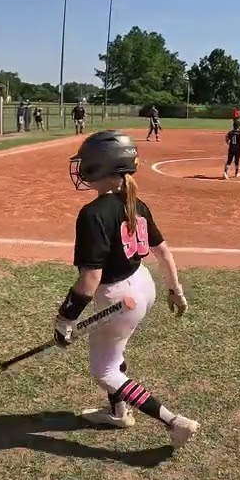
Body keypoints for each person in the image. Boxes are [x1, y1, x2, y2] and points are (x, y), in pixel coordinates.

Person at [59, 130, 198, 448]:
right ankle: (118, 412)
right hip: (142, 286)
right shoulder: (137, 203)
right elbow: (163, 252)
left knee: (105, 370)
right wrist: (175, 290)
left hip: (118, 298)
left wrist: (65, 319)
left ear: (102, 166)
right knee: (113, 352)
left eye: (88, 163)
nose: (82, 168)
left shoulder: (92, 214)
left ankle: (173, 422)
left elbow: (90, 278)